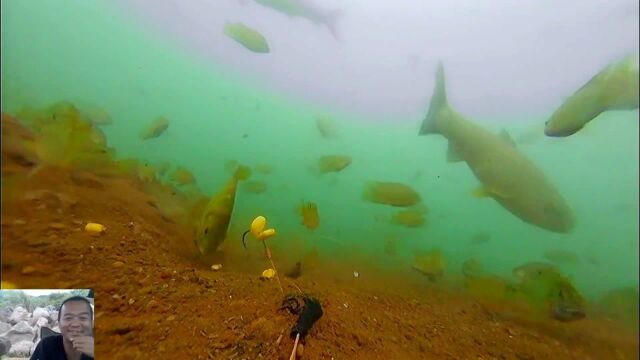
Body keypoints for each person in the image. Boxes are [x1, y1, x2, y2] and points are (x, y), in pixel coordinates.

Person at [30, 296, 94, 360]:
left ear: (92, 323)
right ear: (59, 324)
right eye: (68, 318)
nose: (75, 324)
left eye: (83, 318)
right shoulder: (46, 346)